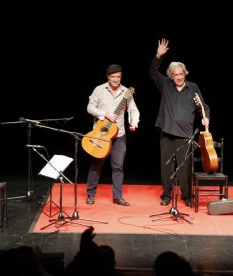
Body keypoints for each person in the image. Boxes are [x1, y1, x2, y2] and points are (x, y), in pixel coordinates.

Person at [149, 38, 210, 207]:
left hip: (185, 135)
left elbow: (203, 107)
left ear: (185, 74)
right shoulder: (165, 85)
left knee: (185, 168)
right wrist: (158, 55)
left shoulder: (193, 88)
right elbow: (153, 72)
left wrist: (206, 117)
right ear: (171, 76)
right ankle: (167, 195)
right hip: (167, 133)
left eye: (181, 74)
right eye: (175, 75)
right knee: (166, 167)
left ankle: (186, 195)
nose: (178, 78)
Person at [85, 64, 140, 206]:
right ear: (108, 77)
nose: (116, 80)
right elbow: (90, 108)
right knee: (96, 165)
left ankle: (117, 197)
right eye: (113, 77)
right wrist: (105, 114)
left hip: (119, 134)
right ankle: (90, 194)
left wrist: (134, 122)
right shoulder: (99, 89)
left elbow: (133, 110)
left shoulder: (126, 92)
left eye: (118, 77)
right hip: (101, 134)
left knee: (118, 166)